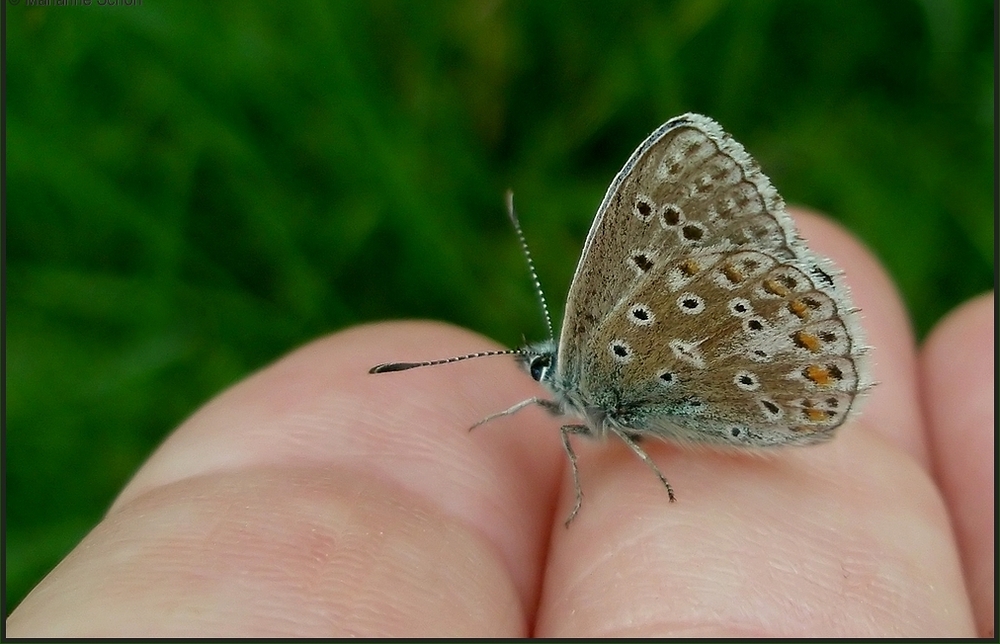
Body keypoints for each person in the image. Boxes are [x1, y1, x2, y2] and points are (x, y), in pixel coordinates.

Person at [6, 211, 992, 636]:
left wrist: (632, 464)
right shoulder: (564, 390)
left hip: (734, 381)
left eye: (533, 375)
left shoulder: (583, 381)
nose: (533, 382)